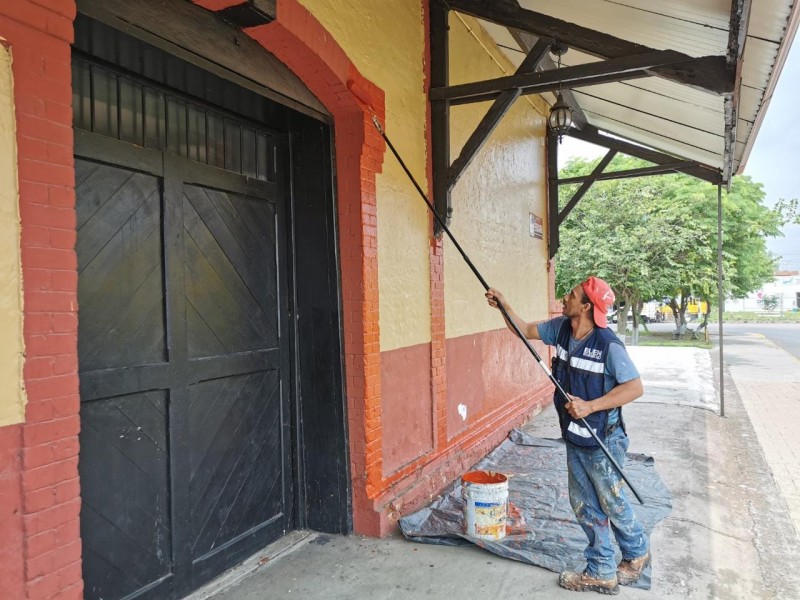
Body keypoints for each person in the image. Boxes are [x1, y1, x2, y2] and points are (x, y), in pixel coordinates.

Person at [486, 276, 650, 595]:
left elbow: (635, 387)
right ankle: (602, 569)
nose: (565, 297)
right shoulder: (560, 328)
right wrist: (504, 307)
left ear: (586, 306)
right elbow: (523, 330)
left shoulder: (608, 344)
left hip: (604, 439)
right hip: (574, 436)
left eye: (572, 295)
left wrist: (591, 406)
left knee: (611, 501)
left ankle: (636, 553)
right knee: (584, 503)